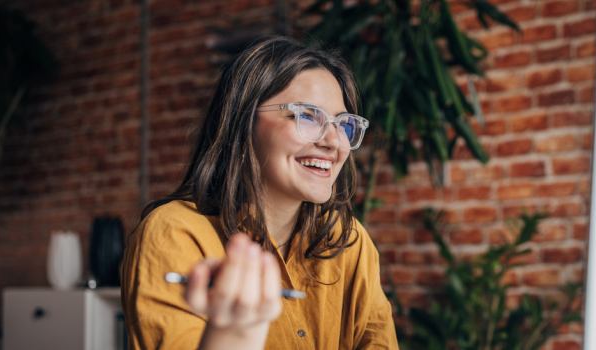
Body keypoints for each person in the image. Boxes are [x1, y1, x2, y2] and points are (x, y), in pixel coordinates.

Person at [121, 36, 398, 350]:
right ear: (243, 120)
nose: (335, 143)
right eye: (307, 116)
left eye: (343, 124)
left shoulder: (347, 239)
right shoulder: (174, 233)